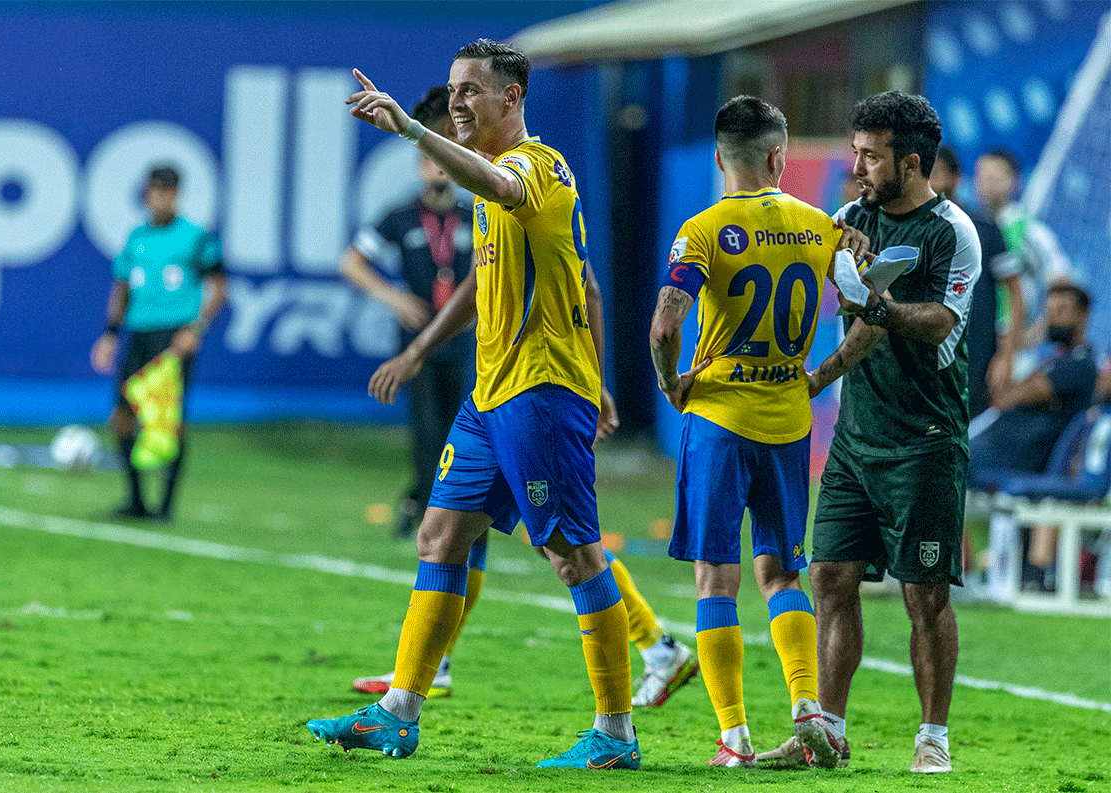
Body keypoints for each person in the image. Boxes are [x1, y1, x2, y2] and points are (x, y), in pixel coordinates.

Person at [307, 39, 641, 769]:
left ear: (511, 99)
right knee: (438, 536)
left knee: (576, 556)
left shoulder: (536, 169)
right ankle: (399, 710)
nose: (456, 103)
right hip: (490, 397)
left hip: (541, 394)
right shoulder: (485, 191)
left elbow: (511, 195)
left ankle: (616, 731)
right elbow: (479, 286)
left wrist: (412, 130)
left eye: (470, 92)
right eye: (451, 92)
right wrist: (423, 348)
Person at [761, 92, 981, 775]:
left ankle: (933, 737)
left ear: (910, 162)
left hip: (926, 438)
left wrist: (881, 304)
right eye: (854, 150)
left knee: (925, 592)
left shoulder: (953, 233)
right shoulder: (851, 219)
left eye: (870, 154)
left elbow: (942, 322)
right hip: (857, 439)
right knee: (828, 574)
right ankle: (825, 731)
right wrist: (815, 379)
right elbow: (861, 329)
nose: (855, 164)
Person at [649, 96, 869, 769]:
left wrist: (670, 381)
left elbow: (665, 323)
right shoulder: (824, 228)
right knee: (781, 569)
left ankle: (734, 736)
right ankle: (806, 703)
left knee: (718, 576)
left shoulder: (704, 228)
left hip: (718, 418)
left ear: (721, 159)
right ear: (779, 157)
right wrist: (820, 374)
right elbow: (870, 319)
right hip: (788, 419)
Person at [339, 86, 474, 539]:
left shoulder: (473, 215)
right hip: (415, 338)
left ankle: (425, 503)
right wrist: (392, 298)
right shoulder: (401, 217)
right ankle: (425, 506)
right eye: (431, 160)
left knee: (459, 432)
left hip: (460, 337)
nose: (438, 169)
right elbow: (351, 262)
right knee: (426, 431)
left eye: (445, 159)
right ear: (419, 165)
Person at [351, 546, 699, 708]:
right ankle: (435, 665)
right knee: (459, 526)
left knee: (559, 537)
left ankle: (659, 648)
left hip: (528, 407)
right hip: (496, 406)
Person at [90, 165, 227, 521]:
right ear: (147, 193)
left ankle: (165, 505)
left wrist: (195, 329)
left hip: (173, 336)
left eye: (169, 191)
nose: (162, 197)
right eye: (156, 190)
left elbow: (219, 288)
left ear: (178, 195)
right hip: (138, 333)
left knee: (167, 417)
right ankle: (135, 499)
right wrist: (109, 334)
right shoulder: (136, 237)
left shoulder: (195, 238)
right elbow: (121, 288)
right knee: (122, 415)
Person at [970, 283, 1098, 591]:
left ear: (1083, 316)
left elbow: (1005, 398)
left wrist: (1013, 350)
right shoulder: (1052, 360)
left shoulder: (1080, 365)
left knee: (942, 462)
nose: (1053, 319)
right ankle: (958, 570)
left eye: (1062, 312)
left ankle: (959, 571)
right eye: (1049, 312)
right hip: (996, 450)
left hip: (1021, 459)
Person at [930, 145, 1023, 417]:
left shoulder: (983, 226)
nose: (928, 183)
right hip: (930, 365)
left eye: (935, 173)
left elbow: (1015, 293)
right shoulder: (917, 230)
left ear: (955, 178)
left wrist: (1006, 356)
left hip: (976, 363)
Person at [974, 148, 1073, 347]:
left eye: (995, 176)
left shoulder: (1029, 230)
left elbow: (1061, 278)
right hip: (976, 341)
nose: (987, 183)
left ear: (1014, 181)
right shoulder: (969, 226)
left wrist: (1038, 330)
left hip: (1012, 346)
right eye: (982, 176)